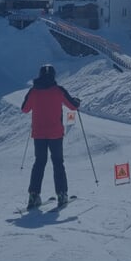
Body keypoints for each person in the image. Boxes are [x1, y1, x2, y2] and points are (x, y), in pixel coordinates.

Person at [22, 64, 80, 209]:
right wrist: (77, 101)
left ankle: (33, 196)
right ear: (53, 75)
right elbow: (73, 106)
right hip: (55, 134)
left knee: (39, 163)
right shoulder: (58, 91)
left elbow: (25, 109)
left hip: (39, 134)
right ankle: (62, 194)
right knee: (58, 163)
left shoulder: (34, 91)